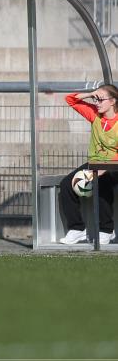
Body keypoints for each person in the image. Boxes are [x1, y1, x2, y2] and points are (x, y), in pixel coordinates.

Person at [59, 85, 118, 245]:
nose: (96, 102)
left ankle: (107, 230)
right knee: (66, 184)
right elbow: (70, 99)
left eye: (101, 99)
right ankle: (77, 229)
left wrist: (105, 168)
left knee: (102, 181)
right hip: (96, 163)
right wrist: (90, 94)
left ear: (113, 101)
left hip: (115, 165)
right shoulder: (94, 114)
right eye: (95, 99)